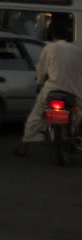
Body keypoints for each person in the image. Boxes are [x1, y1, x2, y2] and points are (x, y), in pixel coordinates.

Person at [14, 19, 82, 157]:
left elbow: (41, 70)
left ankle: (24, 146)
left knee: (36, 116)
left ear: (52, 34)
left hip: (52, 90)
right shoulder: (77, 51)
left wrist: (39, 82)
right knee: (78, 114)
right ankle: (74, 137)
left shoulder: (49, 48)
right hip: (73, 91)